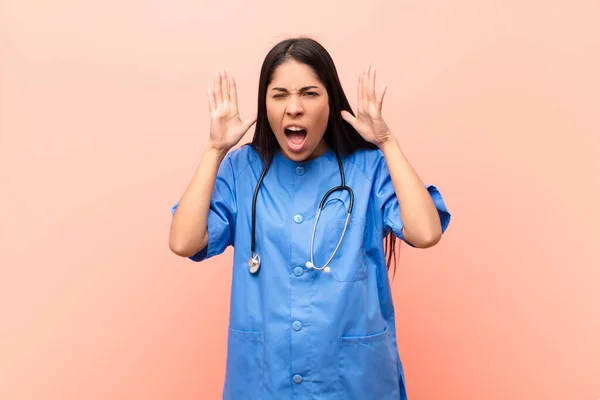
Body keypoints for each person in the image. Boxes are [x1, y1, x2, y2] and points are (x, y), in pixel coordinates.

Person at [169, 37, 451, 400]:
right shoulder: (242, 170)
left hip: (354, 382)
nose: (294, 108)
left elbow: (426, 232)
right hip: (265, 383)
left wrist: (386, 141)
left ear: (331, 102)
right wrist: (214, 150)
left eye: (309, 93)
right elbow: (183, 241)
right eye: (280, 94)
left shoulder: (367, 169)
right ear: (265, 104)